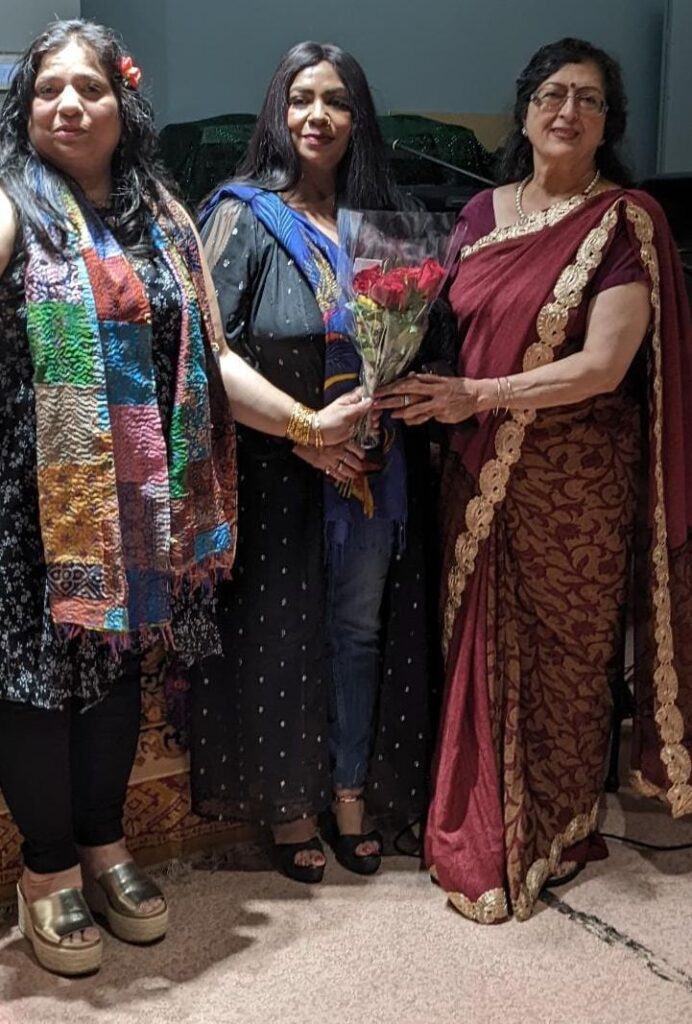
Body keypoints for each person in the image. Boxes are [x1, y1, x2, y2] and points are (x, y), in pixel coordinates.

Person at [0, 20, 366, 975]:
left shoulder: (162, 217)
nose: (70, 104)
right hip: (31, 496)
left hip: (138, 497)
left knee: (117, 666)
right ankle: (46, 871)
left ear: (126, 106)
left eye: (91, 87)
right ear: (24, 105)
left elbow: (210, 357)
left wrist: (303, 422)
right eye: (49, 90)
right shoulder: (11, 205)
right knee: (38, 681)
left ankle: (102, 840)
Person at [377, 37, 692, 922]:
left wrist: (476, 393)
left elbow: (602, 365)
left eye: (589, 100)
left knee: (565, 658)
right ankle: (478, 817)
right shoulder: (477, 214)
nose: (568, 111)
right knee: (474, 641)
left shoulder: (624, 220)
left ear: (607, 125)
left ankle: (552, 823)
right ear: (524, 111)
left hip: (574, 480)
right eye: (553, 94)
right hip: (471, 465)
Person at [190, 41, 448, 882]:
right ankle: (290, 805)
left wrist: (381, 419)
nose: (317, 117)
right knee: (279, 635)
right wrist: (308, 430)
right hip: (277, 470)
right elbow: (207, 353)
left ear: (358, 118)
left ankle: (348, 793)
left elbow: (420, 347)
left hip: (375, 475)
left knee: (358, 635)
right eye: (301, 99)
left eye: (336, 101)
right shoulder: (239, 215)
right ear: (278, 111)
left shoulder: (394, 224)